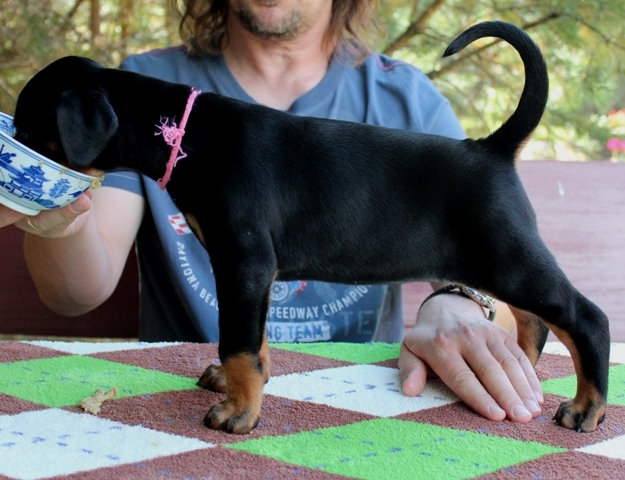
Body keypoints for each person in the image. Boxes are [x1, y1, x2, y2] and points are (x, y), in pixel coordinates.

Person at [1, 0, 542, 424]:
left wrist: (458, 304)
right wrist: (54, 203)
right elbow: (76, 292)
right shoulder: (143, 90)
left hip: (369, 397)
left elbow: (498, 258)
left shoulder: (404, 100)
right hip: (182, 401)